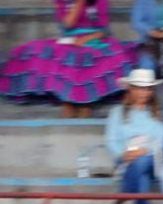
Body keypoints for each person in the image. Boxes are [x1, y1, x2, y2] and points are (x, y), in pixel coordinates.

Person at [0, 0, 138, 117]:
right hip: (69, 38)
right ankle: (67, 100)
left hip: (94, 39)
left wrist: (86, 39)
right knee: (50, 53)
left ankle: (86, 101)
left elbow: (103, 30)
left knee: (92, 56)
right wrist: (80, 2)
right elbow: (66, 25)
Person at [105, 68, 163, 204]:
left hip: (151, 158)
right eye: (139, 88)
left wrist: (145, 151)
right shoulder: (117, 113)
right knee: (142, 181)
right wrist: (124, 154)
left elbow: (161, 138)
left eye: (147, 89)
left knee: (141, 163)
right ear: (130, 89)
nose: (143, 93)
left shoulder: (156, 113)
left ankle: (125, 193)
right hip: (127, 160)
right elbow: (111, 140)